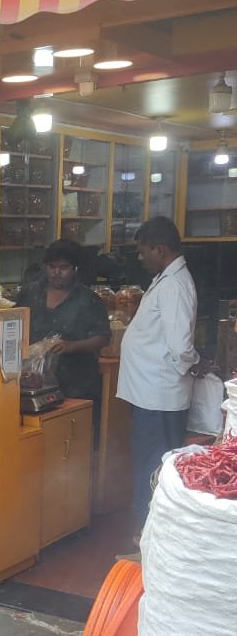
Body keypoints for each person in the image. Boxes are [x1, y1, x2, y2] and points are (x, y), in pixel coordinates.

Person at [117, 217, 201, 525]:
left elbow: (180, 345)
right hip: (151, 392)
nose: (140, 258)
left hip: (160, 394)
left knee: (153, 467)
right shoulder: (167, 279)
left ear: (159, 249)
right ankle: (145, 533)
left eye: (143, 252)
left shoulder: (176, 285)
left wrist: (191, 364)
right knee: (148, 464)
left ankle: (146, 537)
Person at [17, 239, 111, 403]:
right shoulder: (30, 293)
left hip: (76, 383)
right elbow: (14, 323)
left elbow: (102, 337)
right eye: (52, 267)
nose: (56, 272)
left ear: (75, 269)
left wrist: (71, 346)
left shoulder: (88, 299)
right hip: (33, 381)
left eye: (63, 268)